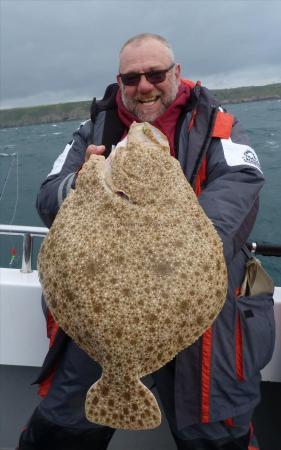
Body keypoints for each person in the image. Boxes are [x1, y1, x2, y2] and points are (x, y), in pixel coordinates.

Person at [17, 33, 275, 450]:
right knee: (63, 429)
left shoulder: (218, 125)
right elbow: (48, 195)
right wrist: (80, 182)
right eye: (131, 77)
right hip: (101, 309)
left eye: (155, 74)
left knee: (214, 435)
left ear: (176, 73)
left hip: (203, 320)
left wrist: (172, 235)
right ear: (119, 81)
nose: (144, 85)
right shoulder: (93, 129)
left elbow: (240, 186)